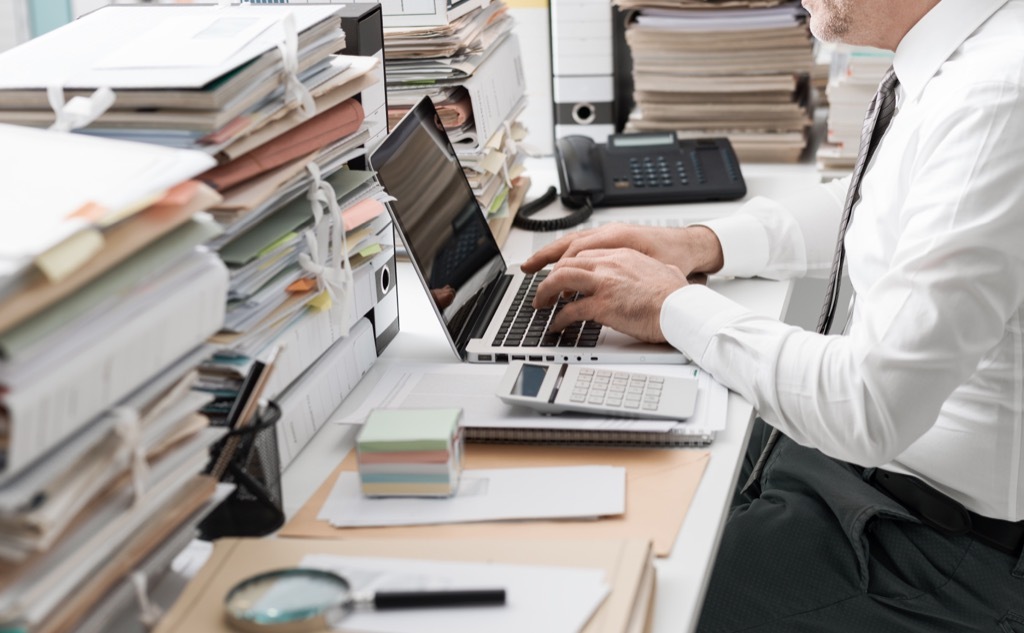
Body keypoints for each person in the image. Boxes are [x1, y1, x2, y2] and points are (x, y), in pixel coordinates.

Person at [522, 0, 1024, 630]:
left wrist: (669, 304)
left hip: (939, 550)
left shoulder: (997, 97)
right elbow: (896, 199)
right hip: (870, 481)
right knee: (604, 483)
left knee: (629, 605)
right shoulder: (967, 61)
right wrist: (704, 243)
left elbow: (870, 405)